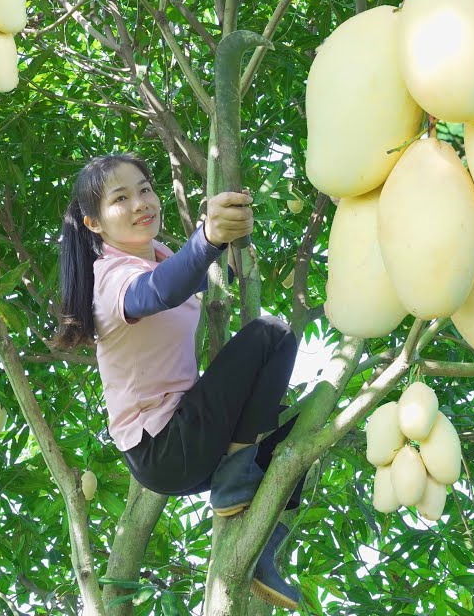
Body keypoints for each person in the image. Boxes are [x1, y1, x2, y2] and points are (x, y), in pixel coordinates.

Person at [53, 153, 308, 610]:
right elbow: (159, 290)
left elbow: (201, 275)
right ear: (94, 224)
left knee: (298, 435)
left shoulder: (160, 255)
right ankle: (235, 478)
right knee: (271, 335)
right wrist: (209, 236)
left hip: (192, 441)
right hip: (163, 445)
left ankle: (263, 555)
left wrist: (237, 239)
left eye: (145, 189)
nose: (140, 203)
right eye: (121, 198)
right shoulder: (111, 277)